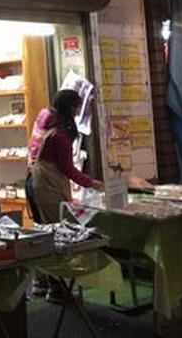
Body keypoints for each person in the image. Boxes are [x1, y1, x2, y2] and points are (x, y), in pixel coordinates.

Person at [25, 89, 104, 302]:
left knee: (42, 232)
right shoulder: (61, 135)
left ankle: (40, 282)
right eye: (79, 107)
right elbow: (68, 169)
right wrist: (94, 183)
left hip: (34, 182)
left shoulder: (45, 119)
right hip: (47, 186)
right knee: (55, 234)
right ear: (71, 107)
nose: (80, 111)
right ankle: (57, 289)